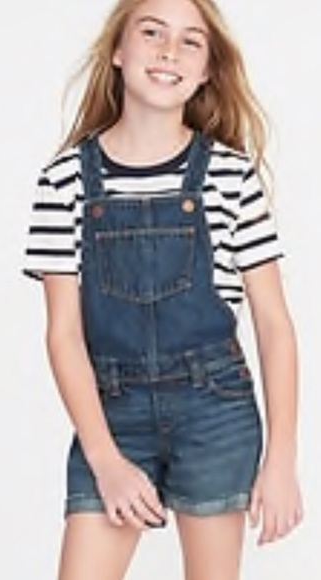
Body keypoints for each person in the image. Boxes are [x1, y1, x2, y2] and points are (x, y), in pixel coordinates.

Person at [22, 0, 304, 578]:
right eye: (151, 33)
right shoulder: (64, 180)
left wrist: (281, 460)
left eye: (190, 41)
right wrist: (104, 459)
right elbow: (63, 335)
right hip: (111, 415)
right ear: (117, 51)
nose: (169, 51)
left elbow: (275, 325)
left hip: (214, 410)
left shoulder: (231, 175)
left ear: (207, 70)